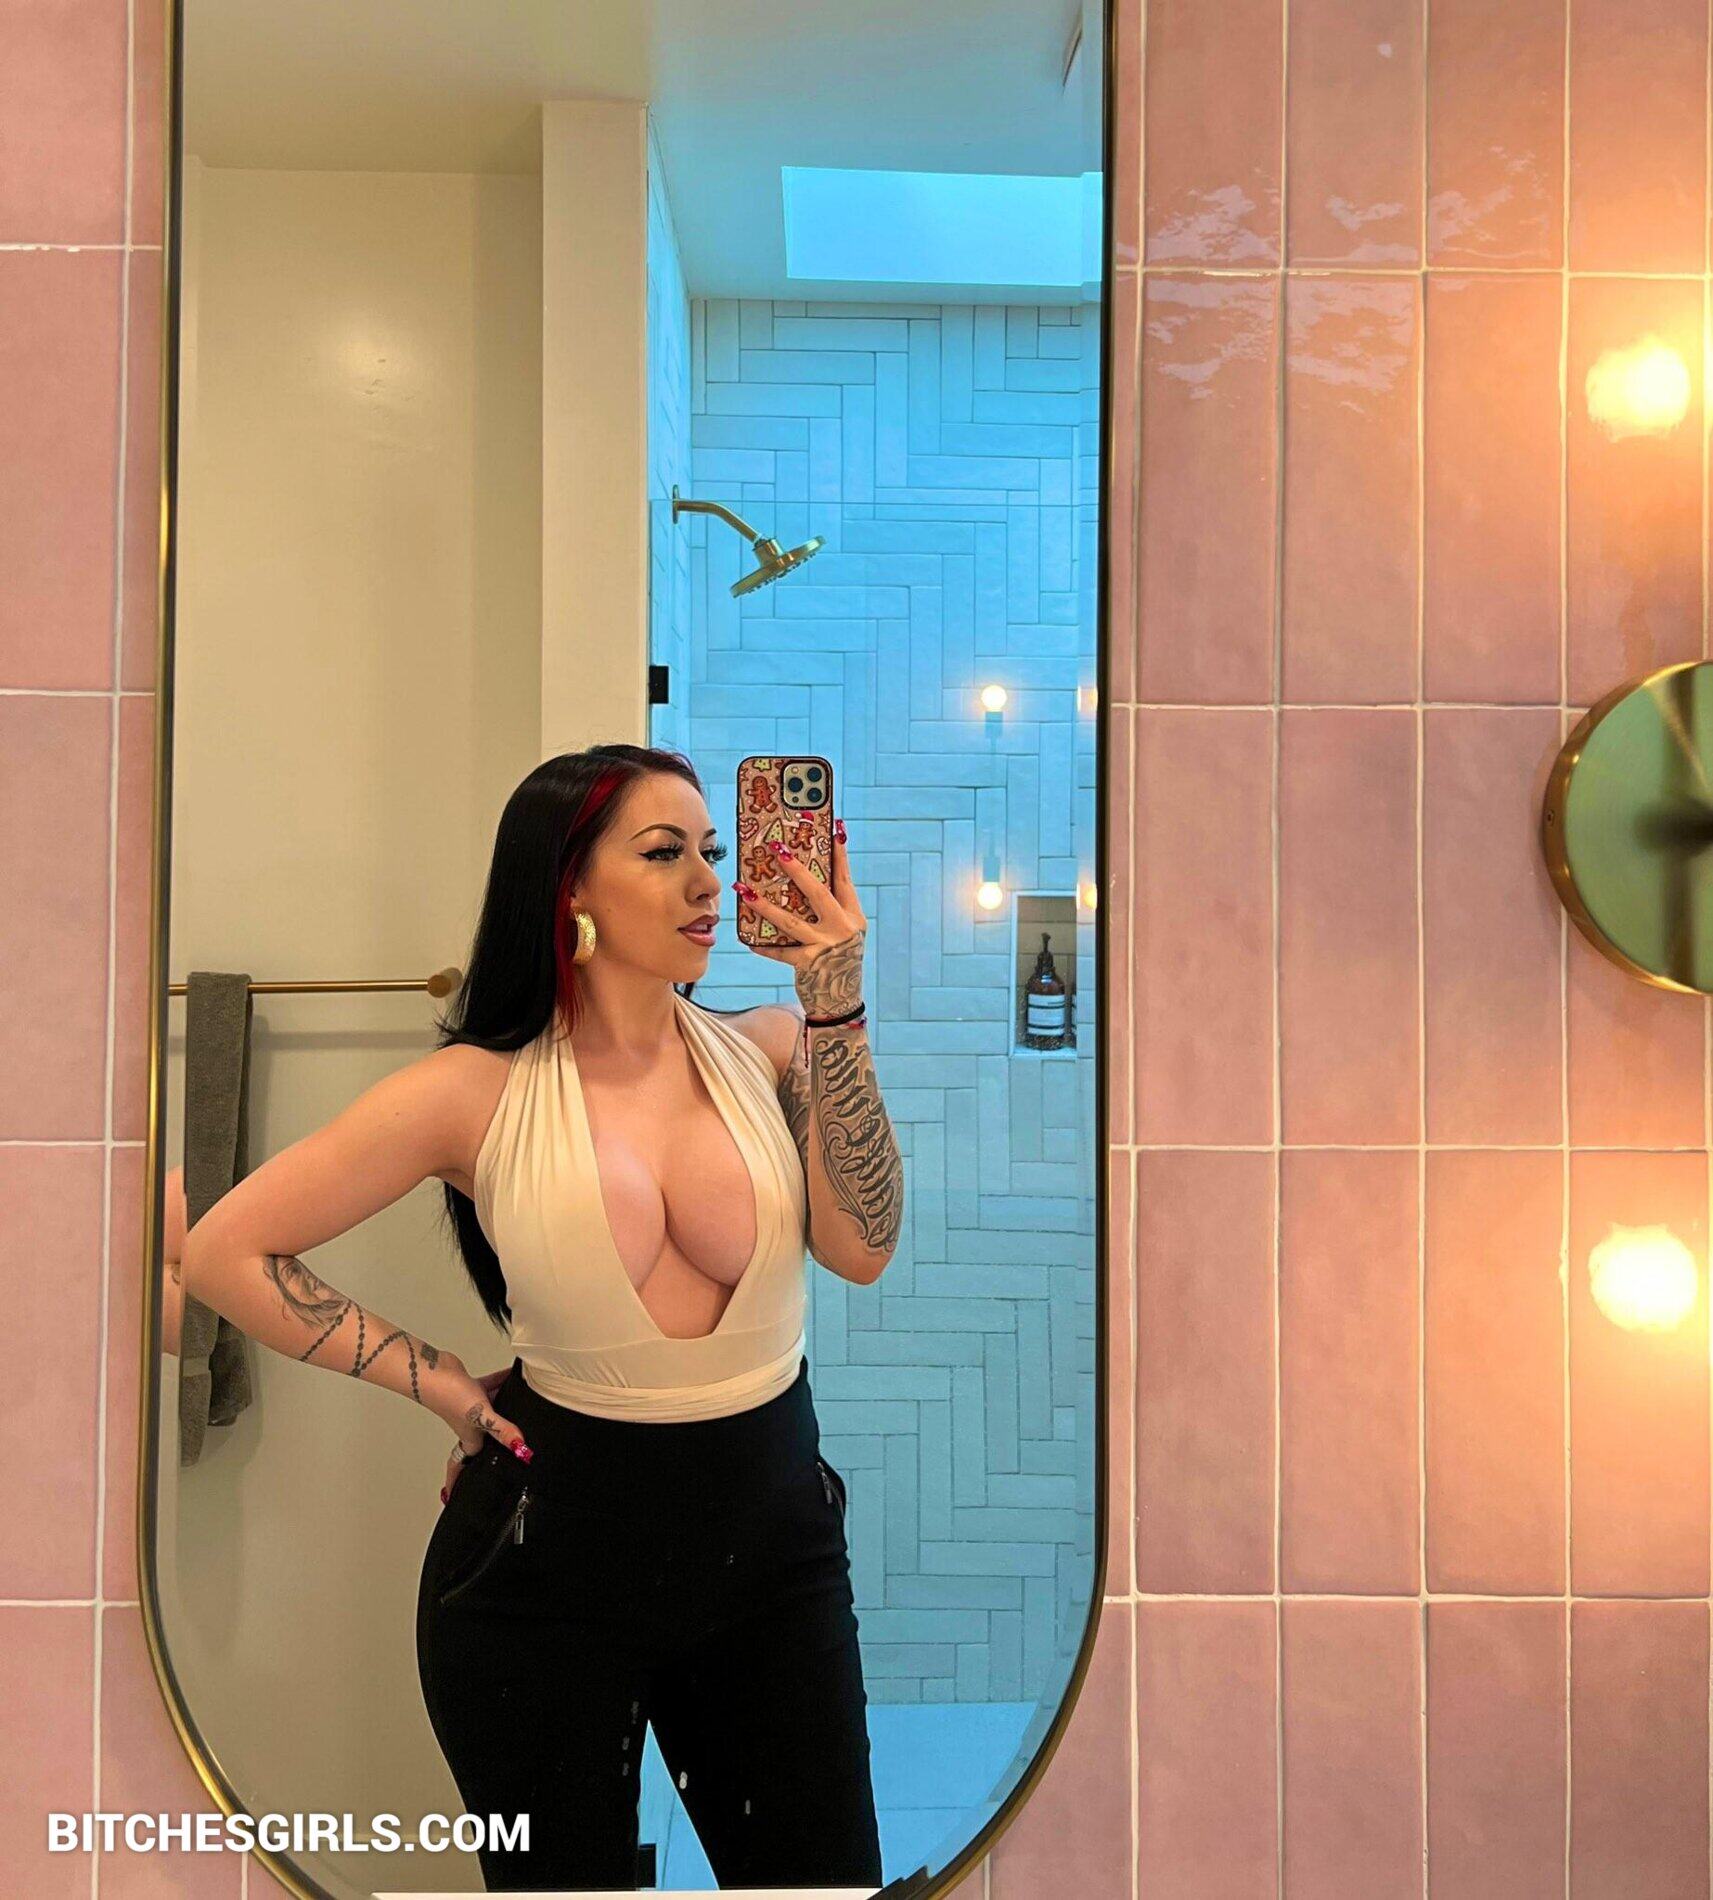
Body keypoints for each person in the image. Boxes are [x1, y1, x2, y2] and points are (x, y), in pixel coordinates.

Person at [180, 743, 904, 1892]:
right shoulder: (472, 1093)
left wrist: (836, 1001)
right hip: (539, 1574)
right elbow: (224, 1249)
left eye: (713, 849)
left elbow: (864, 1247)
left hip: (773, 1558)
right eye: (662, 853)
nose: (707, 881)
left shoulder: (772, 1046)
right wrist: (438, 1380)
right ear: (568, 887)